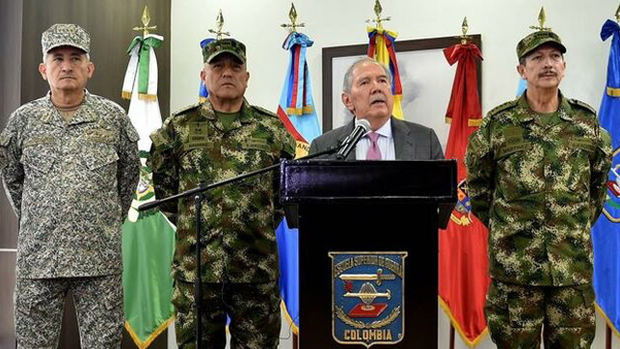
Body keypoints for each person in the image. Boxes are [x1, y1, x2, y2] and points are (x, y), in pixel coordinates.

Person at [465, 29, 612, 348]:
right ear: (522, 70)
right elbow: (478, 190)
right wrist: (511, 229)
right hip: (515, 275)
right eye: (537, 58)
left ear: (564, 65)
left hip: (570, 272)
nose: (548, 64)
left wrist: (567, 229)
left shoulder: (586, 124)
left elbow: (597, 189)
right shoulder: (498, 125)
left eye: (555, 56)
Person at [149, 38, 296, 348]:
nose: (227, 72)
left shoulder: (272, 130)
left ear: (247, 76)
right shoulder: (178, 128)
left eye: (235, 66)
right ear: (204, 76)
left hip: (256, 271)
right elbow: (166, 194)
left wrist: (252, 221)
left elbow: (283, 197)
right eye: (218, 66)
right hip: (198, 273)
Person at [0, 23, 140, 348]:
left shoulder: (113, 119)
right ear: (43, 69)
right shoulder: (23, 121)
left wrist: (101, 221)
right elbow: (12, 179)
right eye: (57, 58)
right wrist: (38, 219)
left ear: (89, 68)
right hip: (39, 259)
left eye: (75, 58)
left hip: (99, 260)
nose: (66, 66)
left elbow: (129, 177)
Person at [309, 57, 443, 160]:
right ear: (348, 100)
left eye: (382, 81)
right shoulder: (322, 147)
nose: (377, 88)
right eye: (365, 82)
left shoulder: (425, 140)